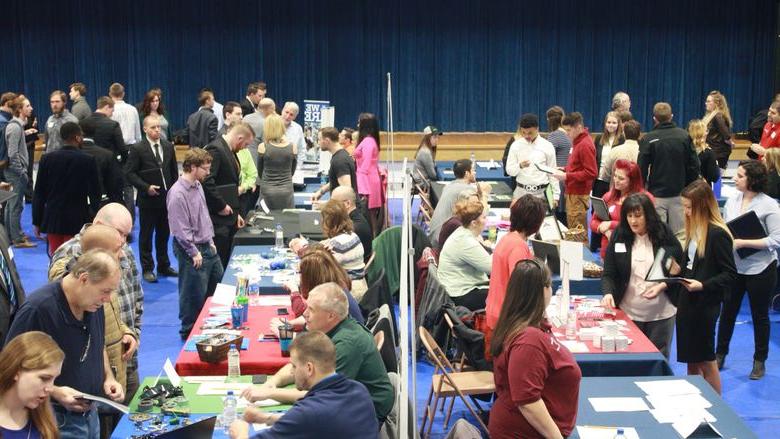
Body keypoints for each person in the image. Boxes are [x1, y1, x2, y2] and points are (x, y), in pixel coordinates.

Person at [5, 249, 125, 439]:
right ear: (84, 279)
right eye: (105, 291)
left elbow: (97, 342)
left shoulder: (92, 303)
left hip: (90, 415)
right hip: (55, 418)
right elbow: (9, 368)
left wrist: (107, 377)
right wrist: (56, 391)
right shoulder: (37, 309)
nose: (108, 298)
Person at [241, 283, 393, 424]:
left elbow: (318, 396)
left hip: (367, 416)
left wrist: (269, 394)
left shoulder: (347, 344)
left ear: (331, 316)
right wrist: (271, 383)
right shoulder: (322, 327)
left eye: (311, 309)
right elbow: (296, 363)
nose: (305, 314)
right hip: (344, 406)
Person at [49, 203, 143, 403]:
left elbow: (136, 299)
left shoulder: (122, 250)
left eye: (127, 235)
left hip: (125, 360)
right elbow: (71, 299)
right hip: (96, 372)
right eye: (119, 233)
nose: (123, 243)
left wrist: (130, 332)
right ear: (98, 225)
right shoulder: (70, 256)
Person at [489, 259, 581, 439]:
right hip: (526, 432)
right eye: (550, 286)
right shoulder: (528, 341)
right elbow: (528, 402)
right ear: (543, 291)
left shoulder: (521, 325)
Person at [229, 331, 378, 439]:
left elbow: (308, 419)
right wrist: (267, 418)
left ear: (309, 368)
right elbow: (322, 423)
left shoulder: (309, 412)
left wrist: (240, 432)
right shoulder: (359, 391)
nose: (292, 373)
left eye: (294, 366)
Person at [717, 160, 780, 379]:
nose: (735, 177)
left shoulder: (769, 205)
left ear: (752, 180)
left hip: (762, 269)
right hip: (735, 268)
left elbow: (777, 240)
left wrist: (744, 243)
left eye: (740, 175)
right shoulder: (733, 201)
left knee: (759, 316)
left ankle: (759, 360)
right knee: (727, 312)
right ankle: (720, 353)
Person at [600, 193, 681, 358]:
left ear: (649, 216)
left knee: (658, 363)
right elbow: (609, 272)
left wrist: (663, 285)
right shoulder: (619, 235)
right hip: (629, 313)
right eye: (629, 216)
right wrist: (608, 293)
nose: (633, 221)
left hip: (661, 314)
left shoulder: (664, 234)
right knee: (630, 361)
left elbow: (678, 271)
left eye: (638, 216)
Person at [675, 179, 736, 394]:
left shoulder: (718, 234)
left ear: (702, 206)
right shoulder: (693, 230)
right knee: (691, 360)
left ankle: (716, 409)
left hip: (705, 303)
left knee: (706, 360)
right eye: (684, 206)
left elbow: (730, 274)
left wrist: (703, 285)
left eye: (689, 207)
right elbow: (689, 265)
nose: (686, 212)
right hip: (687, 301)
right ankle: (695, 403)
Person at [168, 148, 224, 340]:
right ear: (192, 167)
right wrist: (193, 252)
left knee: (218, 285)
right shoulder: (177, 194)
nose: (208, 172)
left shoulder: (198, 185)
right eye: (205, 169)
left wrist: (210, 240)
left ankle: (210, 325)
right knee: (192, 294)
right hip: (191, 250)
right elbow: (179, 228)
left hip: (206, 245)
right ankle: (189, 333)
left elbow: (203, 215)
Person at [124, 115, 179, 282]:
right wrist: (145, 187)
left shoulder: (168, 146)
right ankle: (148, 268)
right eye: (153, 127)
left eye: (159, 127)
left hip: (166, 199)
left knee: (163, 234)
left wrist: (175, 192)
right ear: (145, 129)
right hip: (147, 200)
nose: (157, 130)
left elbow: (173, 172)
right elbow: (129, 173)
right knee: (146, 235)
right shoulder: (138, 148)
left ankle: (164, 265)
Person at [33, 122, 101, 256]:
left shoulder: (47, 159)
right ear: (78, 137)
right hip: (78, 219)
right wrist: (94, 217)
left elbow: (39, 192)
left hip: (53, 219)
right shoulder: (88, 160)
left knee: (56, 258)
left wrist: (37, 221)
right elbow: (95, 193)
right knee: (75, 259)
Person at [638, 102, 701, 239]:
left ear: (654, 118)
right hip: (680, 194)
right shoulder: (684, 136)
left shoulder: (648, 138)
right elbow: (695, 165)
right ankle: (680, 260)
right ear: (671, 116)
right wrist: (687, 186)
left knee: (657, 235)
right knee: (681, 236)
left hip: (656, 195)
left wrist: (644, 190)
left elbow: (641, 168)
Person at [486, 195, 547, 334]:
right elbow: (521, 288)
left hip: (498, 312)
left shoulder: (508, 238)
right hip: (507, 320)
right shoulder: (518, 247)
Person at [276, 245, 365, 330]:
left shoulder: (330, 297)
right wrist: (290, 324)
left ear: (311, 276)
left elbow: (320, 338)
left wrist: (286, 336)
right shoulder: (334, 285)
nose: (300, 277)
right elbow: (311, 317)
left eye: (300, 273)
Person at [203, 122, 253, 268]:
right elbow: (207, 181)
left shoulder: (230, 150)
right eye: (245, 144)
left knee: (225, 258)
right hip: (218, 218)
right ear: (239, 138)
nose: (245, 148)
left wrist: (235, 212)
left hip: (228, 215)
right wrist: (222, 205)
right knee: (219, 261)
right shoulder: (216, 149)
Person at [0, 331, 64, 439]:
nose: (50, 388)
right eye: (44, 378)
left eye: (54, 379)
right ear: (16, 371)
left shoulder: (44, 419)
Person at [590, 159, 653, 260]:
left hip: (634, 255)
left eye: (621, 178)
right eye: (615, 176)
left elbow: (647, 225)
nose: (616, 180)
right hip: (608, 253)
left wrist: (611, 224)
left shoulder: (645, 199)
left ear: (632, 180)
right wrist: (605, 230)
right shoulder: (608, 197)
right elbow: (593, 222)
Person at [438, 197, 492, 311]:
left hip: (456, 289)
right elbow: (492, 268)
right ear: (473, 223)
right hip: (460, 295)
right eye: (484, 217)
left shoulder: (462, 233)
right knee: (507, 296)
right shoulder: (466, 241)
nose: (486, 220)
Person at [553, 112, 597, 239]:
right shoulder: (577, 141)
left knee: (577, 233)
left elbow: (591, 172)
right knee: (574, 230)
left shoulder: (584, 144)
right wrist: (564, 169)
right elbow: (577, 166)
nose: (566, 133)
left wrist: (567, 176)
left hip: (578, 194)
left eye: (568, 130)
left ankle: (580, 258)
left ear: (578, 127)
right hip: (573, 192)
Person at [318, 199, 368, 301]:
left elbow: (322, 270)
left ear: (328, 221)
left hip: (348, 294)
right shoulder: (353, 235)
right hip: (361, 287)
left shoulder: (336, 244)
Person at [4, 95, 35, 248]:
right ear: (20, 110)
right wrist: (21, 171)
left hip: (14, 172)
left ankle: (13, 235)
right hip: (16, 173)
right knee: (15, 206)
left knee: (12, 205)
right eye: (27, 106)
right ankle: (16, 239)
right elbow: (12, 153)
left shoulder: (16, 126)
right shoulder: (15, 127)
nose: (31, 108)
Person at [505, 113, 559, 202]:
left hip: (541, 194)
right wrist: (520, 166)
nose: (526, 136)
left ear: (537, 129)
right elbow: (509, 171)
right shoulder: (516, 145)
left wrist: (556, 196)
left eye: (530, 133)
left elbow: (552, 172)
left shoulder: (547, 146)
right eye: (523, 133)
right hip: (521, 192)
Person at [354, 112, 385, 236]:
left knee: (369, 214)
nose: (357, 124)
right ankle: (373, 239)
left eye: (359, 122)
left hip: (367, 179)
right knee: (371, 215)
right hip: (370, 177)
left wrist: (361, 187)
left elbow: (365, 166)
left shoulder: (367, 141)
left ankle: (372, 240)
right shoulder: (371, 140)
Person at [258, 113, 296, 210]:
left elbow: (260, 171)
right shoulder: (293, 147)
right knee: (288, 220)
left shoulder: (263, 147)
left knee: (266, 220)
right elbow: (292, 171)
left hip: (267, 190)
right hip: (286, 190)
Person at [311, 127, 358, 202]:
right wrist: (321, 192)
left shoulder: (340, 160)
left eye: (319, 139)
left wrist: (325, 207)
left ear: (327, 141)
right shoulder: (339, 156)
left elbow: (346, 192)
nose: (318, 142)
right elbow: (336, 180)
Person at [330, 186, 372, 261]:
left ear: (347, 204)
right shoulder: (357, 219)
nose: (331, 207)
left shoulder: (353, 229)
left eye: (334, 203)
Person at [546, 106, 571, 224]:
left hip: (557, 179)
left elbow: (546, 158)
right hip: (566, 177)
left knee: (557, 217)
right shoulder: (567, 134)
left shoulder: (554, 136)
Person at [593, 111, 625, 198]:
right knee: (597, 209)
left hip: (614, 180)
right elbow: (595, 159)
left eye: (614, 123)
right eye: (609, 122)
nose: (611, 125)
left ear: (619, 124)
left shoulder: (622, 140)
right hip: (599, 180)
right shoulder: (599, 138)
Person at [599, 119, 641, 185]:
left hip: (616, 190)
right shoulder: (643, 151)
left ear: (624, 133)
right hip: (637, 191)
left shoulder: (614, 151)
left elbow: (605, 175)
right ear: (639, 134)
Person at [702, 90, 733, 169]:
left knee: (716, 179)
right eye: (706, 101)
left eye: (708, 101)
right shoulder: (711, 115)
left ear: (717, 103)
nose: (706, 103)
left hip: (719, 153)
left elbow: (726, 136)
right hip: (714, 151)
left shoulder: (718, 116)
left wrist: (731, 143)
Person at [688, 119, 721, 185]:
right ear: (703, 134)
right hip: (702, 189)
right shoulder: (708, 153)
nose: (707, 133)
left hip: (685, 189)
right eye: (706, 130)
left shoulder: (684, 150)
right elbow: (714, 177)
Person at [281, 102, 306, 166]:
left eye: (291, 115)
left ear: (295, 117)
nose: (287, 116)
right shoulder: (272, 125)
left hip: (291, 167)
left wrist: (298, 167)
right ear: (282, 111)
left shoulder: (298, 128)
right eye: (286, 112)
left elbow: (301, 149)